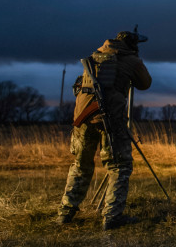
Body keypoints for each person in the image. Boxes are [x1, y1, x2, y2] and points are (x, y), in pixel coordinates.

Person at [57, 30, 151, 230]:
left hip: (83, 118)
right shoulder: (131, 60)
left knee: (80, 166)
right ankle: (112, 216)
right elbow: (145, 83)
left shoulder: (94, 56)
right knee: (119, 166)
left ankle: (65, 213)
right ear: (133, 46)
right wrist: (136, 61)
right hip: (111, 120)